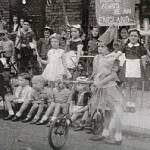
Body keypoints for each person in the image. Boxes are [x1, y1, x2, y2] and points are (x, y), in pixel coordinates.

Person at [89, 41, 123, 145]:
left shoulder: (113, 58)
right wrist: (93, 81)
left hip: (110, 88)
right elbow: (95, 72)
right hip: (101, 88)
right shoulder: (97, 57)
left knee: (116, 112)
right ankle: (105, 133)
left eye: (103, 46)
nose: (100, 48)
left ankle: (118, 137)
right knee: (106, 112)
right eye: (99, 46)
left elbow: (113, 75)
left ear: (109, 48)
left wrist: (100, 83)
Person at [121, 29, 150, 112]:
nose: (133, 37)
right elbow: (118, 53)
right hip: (128, 68)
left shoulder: (141, 48)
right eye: (131, 35)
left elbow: (144, 60)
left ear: (138, 37)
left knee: (134, 87)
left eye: (135, 36)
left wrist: (143, 70)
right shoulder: (125, 46)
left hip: (136, 69)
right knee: (127, 87)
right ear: (129, 37)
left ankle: (132, 104)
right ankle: (127, 104)